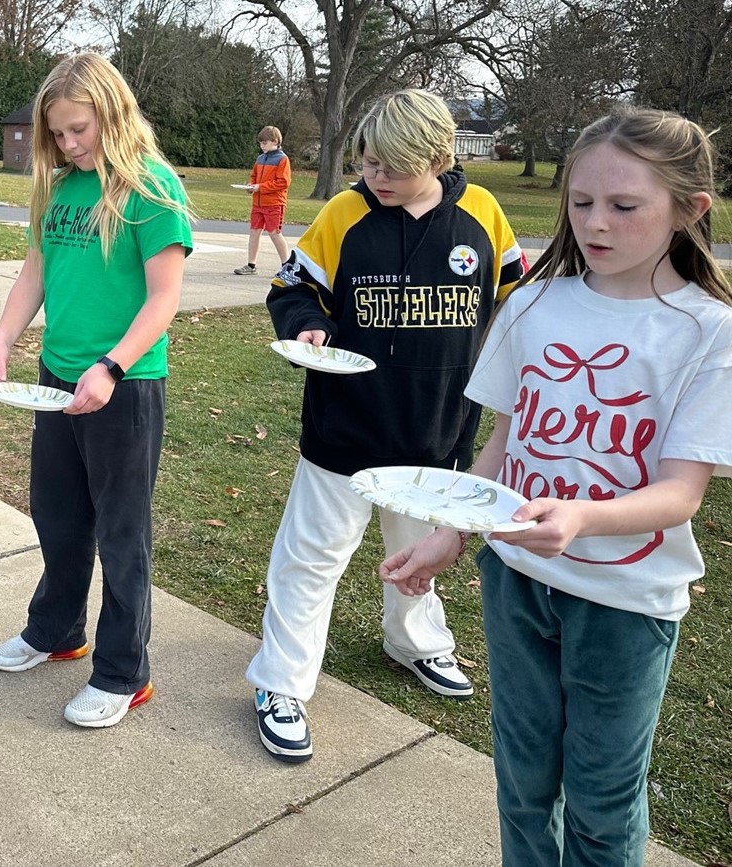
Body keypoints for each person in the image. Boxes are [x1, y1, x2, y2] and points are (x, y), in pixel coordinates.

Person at [380, 108, 731, 866]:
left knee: (603, 808)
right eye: (580, 202)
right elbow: (506, 442)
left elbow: (681, 495)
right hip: (516, 583)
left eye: (624, 206)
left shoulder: (708, 331)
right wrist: (452, 529)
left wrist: (583, 515)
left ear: (690, 210)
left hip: (624, 607)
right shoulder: (536, 302)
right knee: (522, 785)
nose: (595, 223)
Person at [246, 88, 525, 763]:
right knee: (309, 560)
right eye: (369, 165)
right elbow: (293, 288)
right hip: (345, 432)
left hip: (439, 433)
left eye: (392, 169)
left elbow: (522, 301)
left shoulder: (482, 215)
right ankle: (280, 682)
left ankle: (416, 644)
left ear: (437, 155)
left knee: (417, 560)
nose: (376, 179)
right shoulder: (345, 214)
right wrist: (310, 323)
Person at [0, 53, 192, 729]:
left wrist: (113, 366)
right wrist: (4, 338)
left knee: (122, 531)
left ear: (113, 112)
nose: (69, 144)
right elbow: (33, 273)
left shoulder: (153, 189)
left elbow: (164, 299)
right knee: (58, 513)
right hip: (57, 380)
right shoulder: (59, 187)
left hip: (124, 388)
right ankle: (57, 628)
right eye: (59, 134)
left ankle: (125, 671)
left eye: (79, 129)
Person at [232, 126, 292, 276]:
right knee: (254, 232)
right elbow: (254, 176)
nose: (262, 146)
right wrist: (251, 186)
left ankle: (287, 266)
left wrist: (261, 187)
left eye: (264, 143)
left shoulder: (282, 159)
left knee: (274, 233)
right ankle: (251, 265)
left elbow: (283, 182)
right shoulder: (260, 159)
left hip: (274, 203)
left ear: (275, 141)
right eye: (260, 143)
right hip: (258, 203)